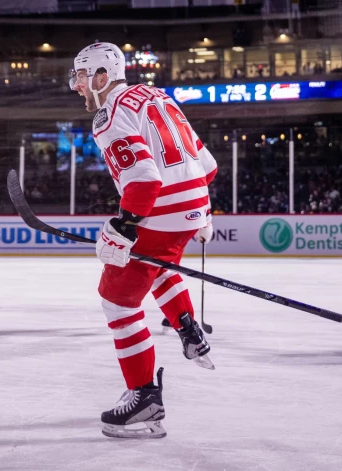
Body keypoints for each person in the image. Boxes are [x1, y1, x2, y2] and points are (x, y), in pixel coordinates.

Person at [69, 42, 217, 439]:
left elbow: (144, 179)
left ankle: (144, 399)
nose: (77, 86)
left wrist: (124, 228)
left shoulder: (109, 114)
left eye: (82, 77)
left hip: (162, 210)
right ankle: (188, 329)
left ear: (102, 76)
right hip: (191, 205)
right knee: (153, 266)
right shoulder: (158, 95)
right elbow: (208, 164)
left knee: (116, 301)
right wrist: (201, 212)